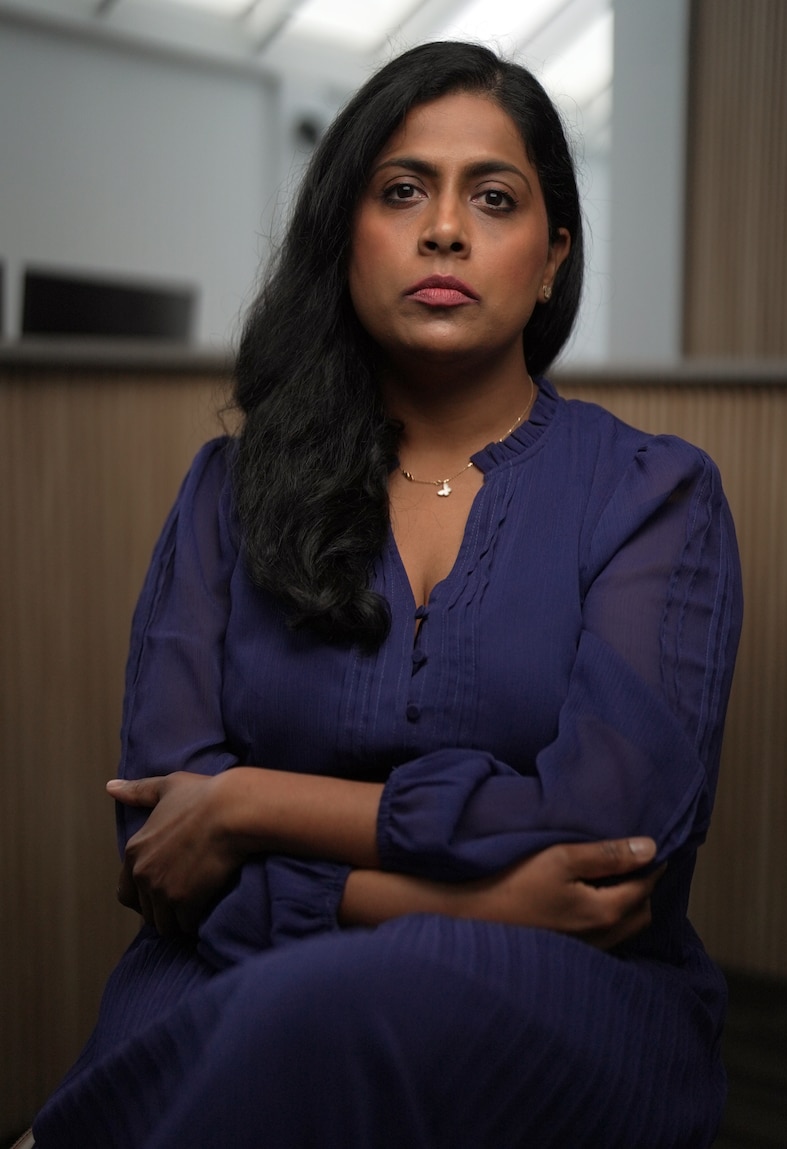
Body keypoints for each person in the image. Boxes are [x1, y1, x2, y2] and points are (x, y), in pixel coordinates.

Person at [33, 40, 742, 1148]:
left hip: (562, 990)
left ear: (552, 256)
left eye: (492, 198)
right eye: (401, 189)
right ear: (344, 234)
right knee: (253, 1027)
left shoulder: (652, 495)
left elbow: (609, 834)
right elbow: (159, 844)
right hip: (226, 968)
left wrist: (250, 806)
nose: (444, 228)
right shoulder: (232, 491)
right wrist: (466, 895)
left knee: (323, 1014)